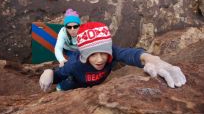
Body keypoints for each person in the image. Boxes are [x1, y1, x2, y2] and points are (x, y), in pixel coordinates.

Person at [39, 22, 186, 92]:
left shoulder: (112, 52)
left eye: (103, 52)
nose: (100, 59)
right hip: (76, 82)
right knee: (65, 86)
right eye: (92, 54)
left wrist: (152, 59)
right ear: (84, 55)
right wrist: (49, 72)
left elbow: (129, 54)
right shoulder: (74, 64)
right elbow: (59, 73)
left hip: (98, 84)